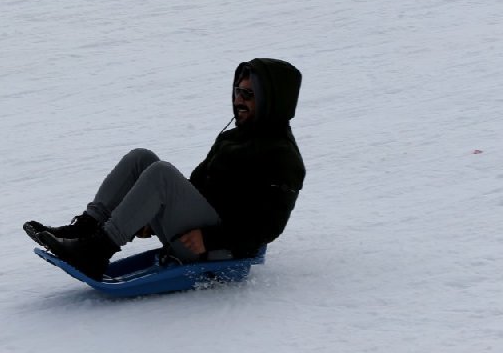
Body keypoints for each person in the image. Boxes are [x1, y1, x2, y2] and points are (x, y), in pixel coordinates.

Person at [24, 58, 305, 280]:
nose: (238, 100)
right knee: (141, 158)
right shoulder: (233, 138)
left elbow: (269, 226)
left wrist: (210, 239)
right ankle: (84, 231)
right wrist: (150, 211)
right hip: (198, 230)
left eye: (249, 94)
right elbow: (197, 186)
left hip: (218, 250)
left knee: (161, 173)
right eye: (237, 91)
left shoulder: (283, 156)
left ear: (272, 101)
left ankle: (95, 251)